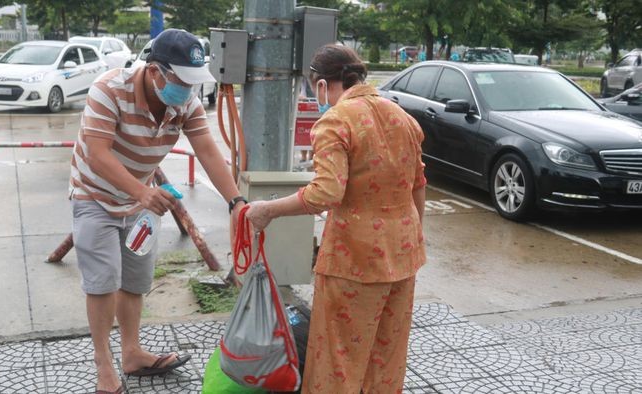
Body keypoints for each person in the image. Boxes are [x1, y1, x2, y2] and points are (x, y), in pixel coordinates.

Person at [69, 28, 246, 394]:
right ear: (155, 72)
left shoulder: (185, 103)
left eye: (194, 83)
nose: (189, 91)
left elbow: (209, 152)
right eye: (182, 81)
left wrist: (236, 203)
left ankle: (131, 353)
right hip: (94, 195)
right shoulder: (108, 90)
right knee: (102, 281)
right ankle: (104, 365)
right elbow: (97, 154)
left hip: (140, 199)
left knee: (135, 278)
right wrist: (141, 192)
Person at [245, 44, 427, 393]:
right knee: (387, 355)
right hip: (404, 256)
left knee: (338, 357)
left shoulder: (335, 121)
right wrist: (414, 238)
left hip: (353, 260)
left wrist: (267, 210)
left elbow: (326, 193)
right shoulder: (402, 117)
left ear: (323, 85)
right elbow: (418, 183)